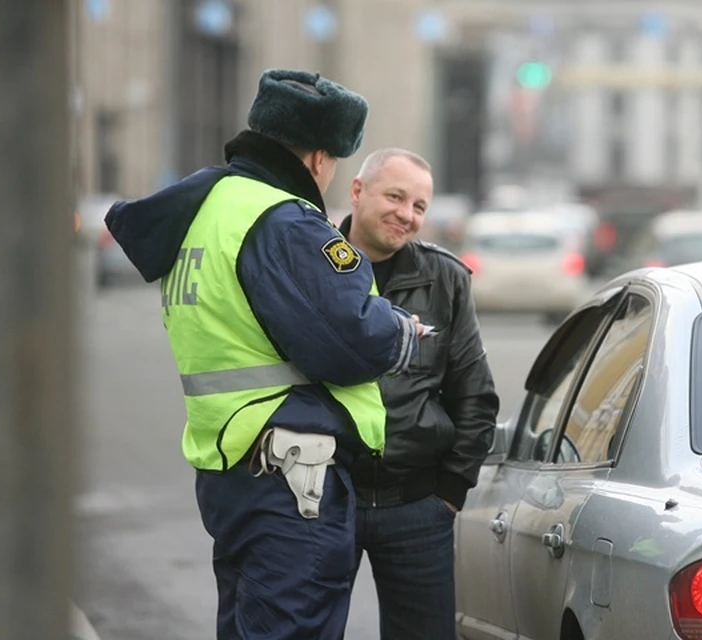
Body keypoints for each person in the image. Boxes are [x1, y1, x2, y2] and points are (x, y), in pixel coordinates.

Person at [105, 70, 424, 639]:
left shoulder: (207, 211)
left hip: (233, 467)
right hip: (292, 482)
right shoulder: (285, 220)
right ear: (320, 159)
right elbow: (351, 337)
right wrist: (399, 331)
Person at [339, 148, 499, 639]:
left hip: (417, 507)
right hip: (323, 502)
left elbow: (475, 394)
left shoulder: (444, 278)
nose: (407, 215)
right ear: (358, 190)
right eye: (395, 197)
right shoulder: (315, 266)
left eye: (419, 206)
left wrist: (449, 493)